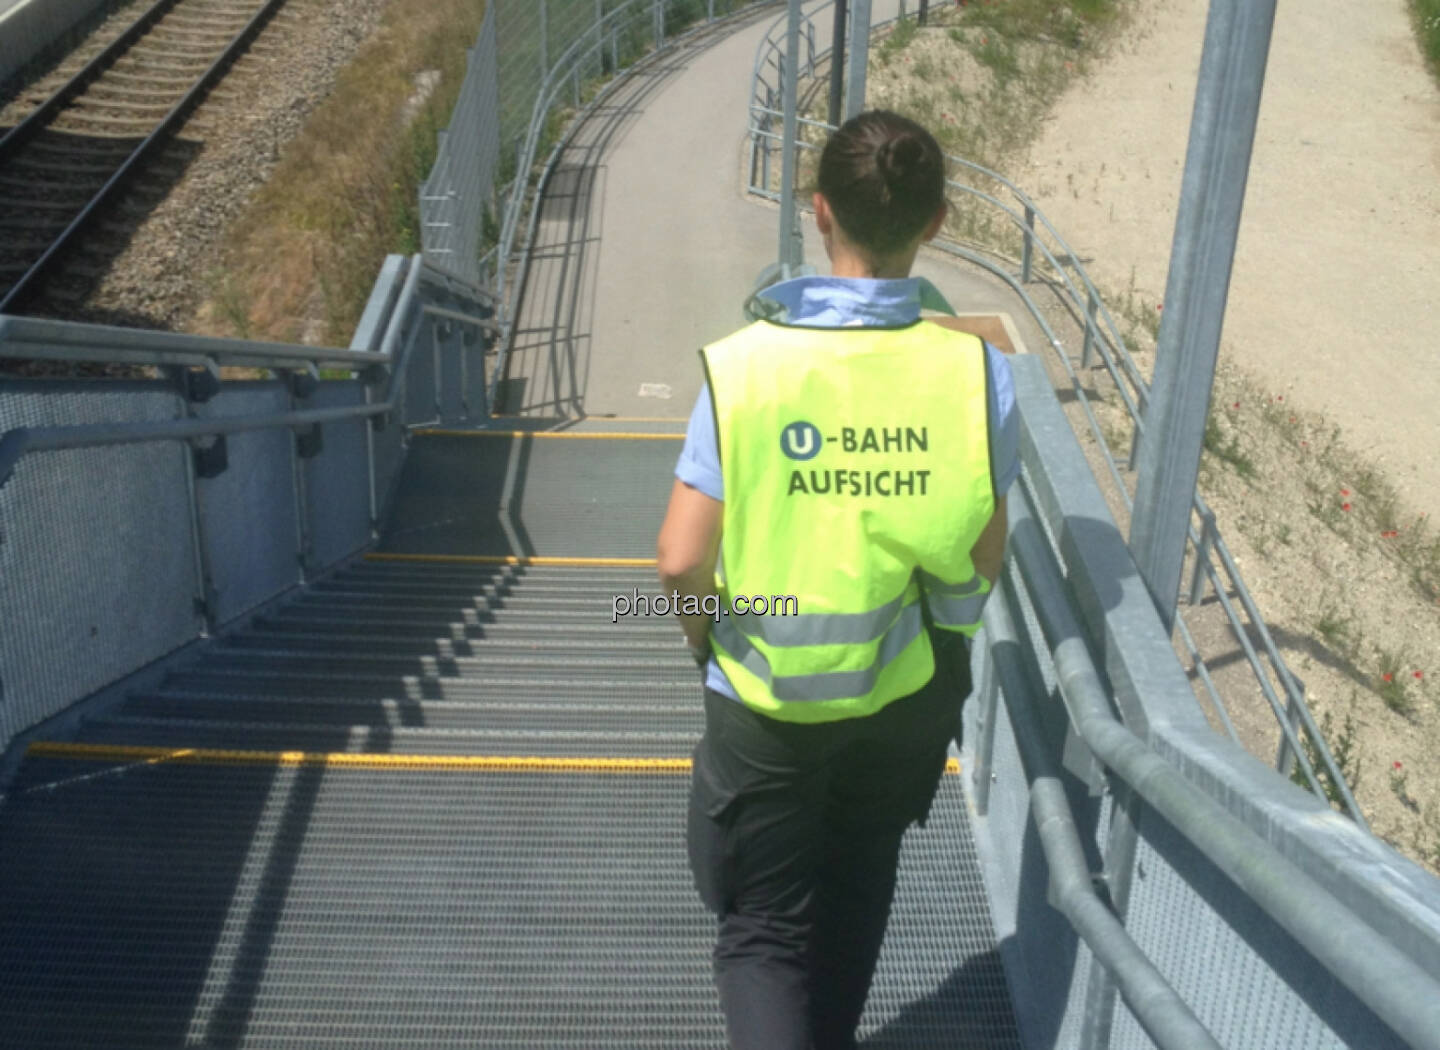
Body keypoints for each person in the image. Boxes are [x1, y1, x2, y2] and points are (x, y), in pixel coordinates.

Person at [655, 109, 1019, 1050]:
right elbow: (985, 546)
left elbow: (682, 558)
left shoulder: (747, 370)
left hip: (767, 695)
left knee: (763, 929)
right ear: (935, 223)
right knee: (859, 885)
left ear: (819, 212)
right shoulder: (978, 376)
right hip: (905, 694)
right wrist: (949, 633)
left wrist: (713, 636)